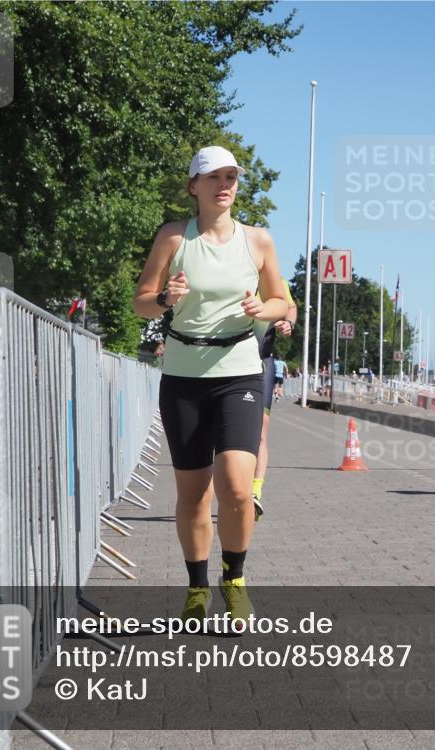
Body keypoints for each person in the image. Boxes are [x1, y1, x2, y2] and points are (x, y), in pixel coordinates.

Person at [132, 145, 288, 629]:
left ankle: (234, 580)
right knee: (193, 495)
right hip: (183, 377)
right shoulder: (173, 236)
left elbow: (282, 301)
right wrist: (165, 297)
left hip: (238, 371)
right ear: (193, 186)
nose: (224, 185)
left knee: (238, 488)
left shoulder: (258, 240)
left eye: (231, 177)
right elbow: (141, 302)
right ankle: (197, 588)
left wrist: (266, 309)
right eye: (214, 177)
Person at [251, 281, 297, 521]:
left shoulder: (274, 280)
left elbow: (291, 307)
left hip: (262, 361)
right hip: (229, 363)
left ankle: (255, 491)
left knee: (261, 430)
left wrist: (289, 323)